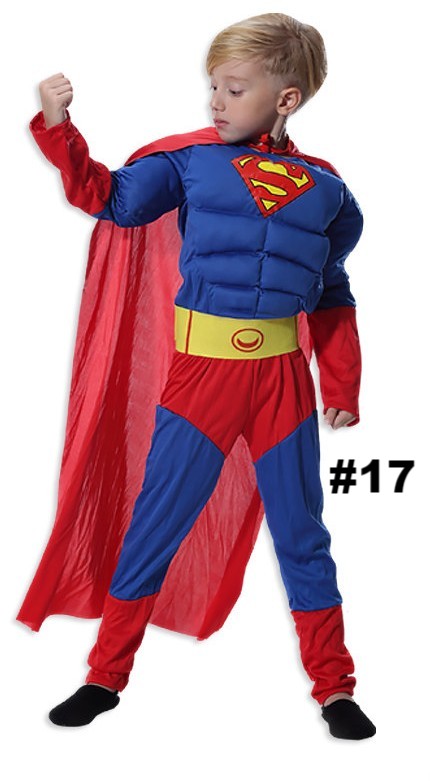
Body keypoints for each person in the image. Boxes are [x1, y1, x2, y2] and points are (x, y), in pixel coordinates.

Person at [17, 12, 376, 739]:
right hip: (201, 380)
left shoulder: (330, 191)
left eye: (234, 89)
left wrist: (341, 386)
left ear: (286, 99)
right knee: (154, 527)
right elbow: (108, 198)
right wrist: (60, 128)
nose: (215, 101)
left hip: (283, 386)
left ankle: (335, 688)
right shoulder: (189, 163)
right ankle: (103, 676)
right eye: (213, 85)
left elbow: (332, 293)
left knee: (303, 536)